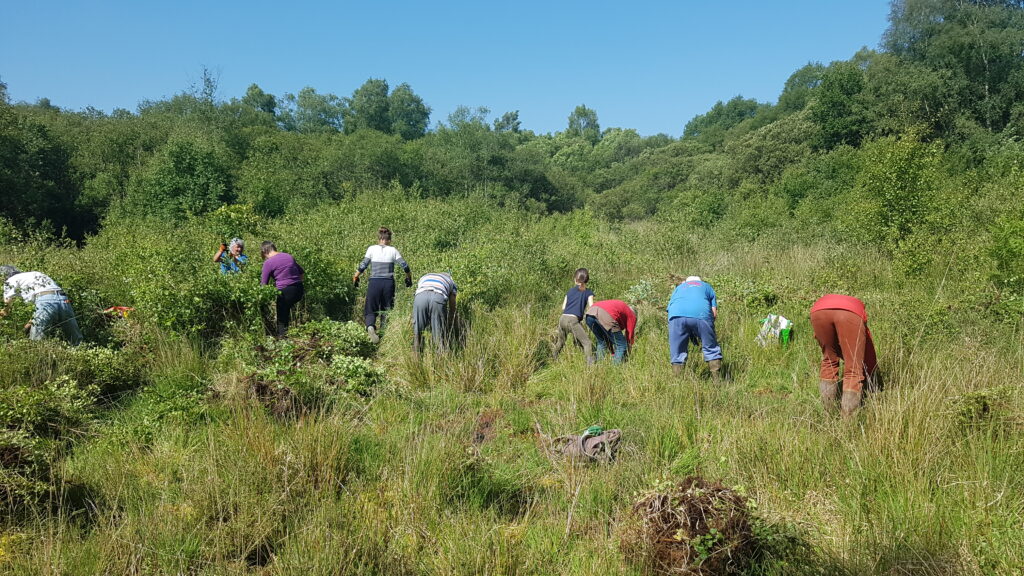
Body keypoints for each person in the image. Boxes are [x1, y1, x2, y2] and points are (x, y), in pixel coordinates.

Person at [809, 294, 878, 417]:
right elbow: (867, 351)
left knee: (828, 361)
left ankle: (827, 415)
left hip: (818, 310)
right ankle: (847, 423)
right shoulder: (857, 306)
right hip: (850, 313)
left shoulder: (834, 300)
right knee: (853, 371)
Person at [353, 227, 412, 344]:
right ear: (389, 240)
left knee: (371, 308)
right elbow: (405, 266)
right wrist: (408, 278)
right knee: (387, 309)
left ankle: (370, 326)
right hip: (388, 283)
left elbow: (363, 264)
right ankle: (384, 336)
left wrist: (356, 276)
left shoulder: (371, 249)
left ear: (379, 238)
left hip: (374, 282)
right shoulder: (393, 250)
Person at [1, 265, 83, 345]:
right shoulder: (33, 274)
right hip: (64, 299)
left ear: (4, 276)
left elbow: (6, 308)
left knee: (37, 341)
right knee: (75, 339)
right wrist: (26, 327)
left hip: (45, 300)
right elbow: (39, 309)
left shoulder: (10, 281)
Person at [667, 275, 722, 379]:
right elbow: (714, 313)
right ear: (700, 281)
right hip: (701, 315)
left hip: (675, 316)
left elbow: (670, 308)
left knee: (677, 351)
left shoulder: (678, 288)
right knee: (711, 348)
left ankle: (678, 382)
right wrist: (708, 332)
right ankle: (717, 381)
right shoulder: (707, 286)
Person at [259, 242, 305, 337]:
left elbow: (263, 285)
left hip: (285, 292)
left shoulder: (268, 263)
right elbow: (301, 273)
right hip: (299, 289)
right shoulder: (288, 256)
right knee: (287, 310)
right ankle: (293, 332)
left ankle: (282, 339)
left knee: (281, 318)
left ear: (264, 252)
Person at [552, 268, 595, 363]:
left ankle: (554, 358)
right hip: (572, 320)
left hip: (562, 318)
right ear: (586, 279)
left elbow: (563, 307)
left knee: (561, 342)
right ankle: (591, 367)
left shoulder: (570, 291)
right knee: (587, 343)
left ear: (575, 279)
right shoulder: (589, 292)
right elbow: (591, 307)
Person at [412, 272, 457, 356]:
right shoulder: (451, 281)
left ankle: (416, 360)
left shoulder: (424, 276)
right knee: (439, 334)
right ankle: (440, 362)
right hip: (438, 297)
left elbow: (419, 290)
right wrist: (452, 319)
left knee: (417, 331)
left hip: (420, 297)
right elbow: (452, 302)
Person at [585, 299, 636, 364]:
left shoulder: (622, 307)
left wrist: (612, 352)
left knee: (602, 342)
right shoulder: (632, 315)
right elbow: (629, 336)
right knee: (621, 345)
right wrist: (628, 351)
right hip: (605, 314)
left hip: (589, 314)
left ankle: (599, 366)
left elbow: (610, 336)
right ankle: (614, 369)